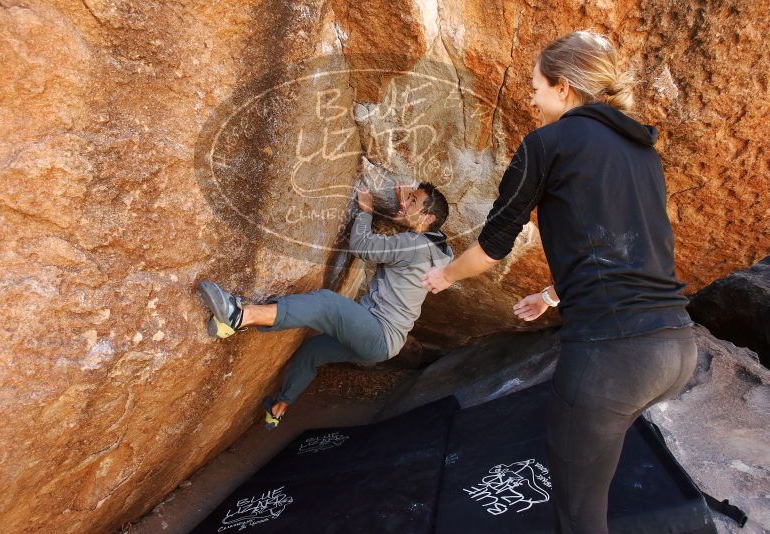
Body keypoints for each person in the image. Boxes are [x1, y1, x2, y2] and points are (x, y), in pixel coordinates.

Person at [421, 31, 696, 534]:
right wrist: (550, 295)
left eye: (536, 87)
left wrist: (442, 275)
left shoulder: (546, 145)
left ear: (564, 88)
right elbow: (626, 251)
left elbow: (491, 248)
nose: (529, 97)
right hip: (676, 347)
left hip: (613, 358)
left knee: (579, 515)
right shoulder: (644, 154)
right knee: (593, 477)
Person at [199, 182, 453, 429]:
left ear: (428, 218)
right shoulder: (437, 249)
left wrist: (365, 212)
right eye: (408, 198)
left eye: (413, 201)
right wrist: (406, 208)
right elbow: (408, 244)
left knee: (326, 304)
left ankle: (238, 316)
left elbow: (363, 247)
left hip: (378, 332)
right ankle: (278, 409)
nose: (406, 202)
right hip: (384, 344)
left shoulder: (417, 245)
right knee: (313, 351)